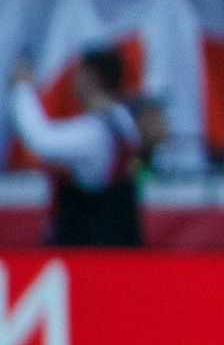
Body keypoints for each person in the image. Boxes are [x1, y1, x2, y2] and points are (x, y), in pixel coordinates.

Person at [7, 49, 162, 246]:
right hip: (122, 241)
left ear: (90, 77)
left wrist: (22, 88)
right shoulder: (124, 119)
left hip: (90, 248)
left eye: (77, 72)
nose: (72, 78)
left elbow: (41, 140)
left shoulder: (94, 133)